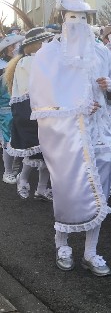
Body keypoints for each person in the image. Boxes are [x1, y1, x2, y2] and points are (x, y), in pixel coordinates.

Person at [30, 0, 111, 276]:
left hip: (100, 134)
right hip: (68, 136)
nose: (78, 23)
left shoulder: (102, 52)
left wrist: (110, 88)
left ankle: (91, 251)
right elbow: (43, 101)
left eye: (83, 18)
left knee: (100, 192)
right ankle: (62, 243)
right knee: (68, 190)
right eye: (72, 17)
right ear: (62, 19)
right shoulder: (48, 54)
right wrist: (77, 110)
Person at [4, 27, 54, 200]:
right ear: (35, 45)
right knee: (33, 151)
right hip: (32, 113)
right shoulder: (28, 63)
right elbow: (33, 90)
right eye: (44, 42)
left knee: (49, 155)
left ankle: (41, 188)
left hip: (48, 112)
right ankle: (22, 179)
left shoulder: (43, 60)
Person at [0, 34, 24, 185]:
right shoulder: (1, 66)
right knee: (8, 140)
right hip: (5, 110)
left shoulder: (22, 63)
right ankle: (7, 171)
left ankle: (16, 167)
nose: (17, 48)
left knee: (20, 139)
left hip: (19, 106)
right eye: (14, 45)